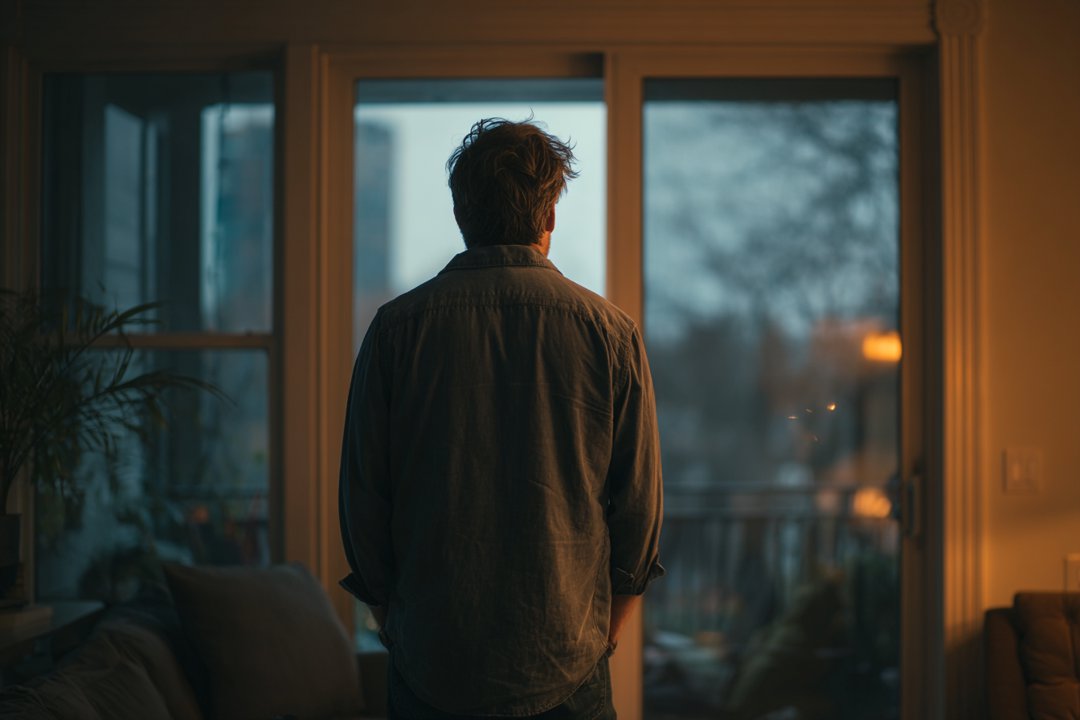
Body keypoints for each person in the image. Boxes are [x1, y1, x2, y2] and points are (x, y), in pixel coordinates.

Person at [339, 118, 664, 719]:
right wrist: (601, 638)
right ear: (550, 217)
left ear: (463, 216)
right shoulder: (609, 333)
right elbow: (638, 513)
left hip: (432, 663)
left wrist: (397, 628)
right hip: (567, 664)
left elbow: (364, 507)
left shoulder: (396, 331)